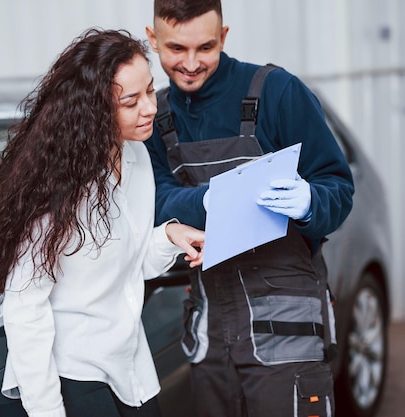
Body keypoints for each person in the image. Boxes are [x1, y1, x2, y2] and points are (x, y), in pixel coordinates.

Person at [0, 28, 206, 417]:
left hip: (130, 364)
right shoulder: (57, 188)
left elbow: (129, 265)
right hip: (74, 374)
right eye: (131, 101)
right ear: (94, 109)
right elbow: (24, 308)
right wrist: (48, 411)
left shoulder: (136, 156)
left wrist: (167, 235)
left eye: (150, 91)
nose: (150, 108)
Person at [144, 1, 355, 416]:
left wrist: (311, 201)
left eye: (205, 47)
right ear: (153, 40)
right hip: (212, 341)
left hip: (289, 339)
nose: (190, 63)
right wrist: (208, 201)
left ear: (224, 37)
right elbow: (153, 204)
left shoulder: (278, 92)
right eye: (176, 49)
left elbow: (339, 188)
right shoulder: (157, 116)